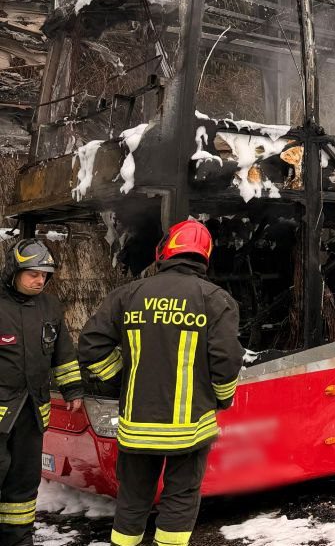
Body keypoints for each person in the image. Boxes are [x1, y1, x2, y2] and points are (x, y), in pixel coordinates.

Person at [79, 220, 244, 546]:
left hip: (136, 424)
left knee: (133, 500)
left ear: (164, 251)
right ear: (205, 255)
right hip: (189, 428)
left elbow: (90, 346)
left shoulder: (128, 295)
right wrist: (222, 398)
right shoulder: (215, 300)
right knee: (180, 499)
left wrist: (119, 381)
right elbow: (226, 361)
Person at [0, 239, 83, 546]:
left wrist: (73, 389)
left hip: (31, 415)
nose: (40, 280)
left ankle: (18, 540)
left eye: (44, 274)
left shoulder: (49, 306)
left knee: (22, 486)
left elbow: (63, 352)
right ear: (14, 271)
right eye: (32, 273)